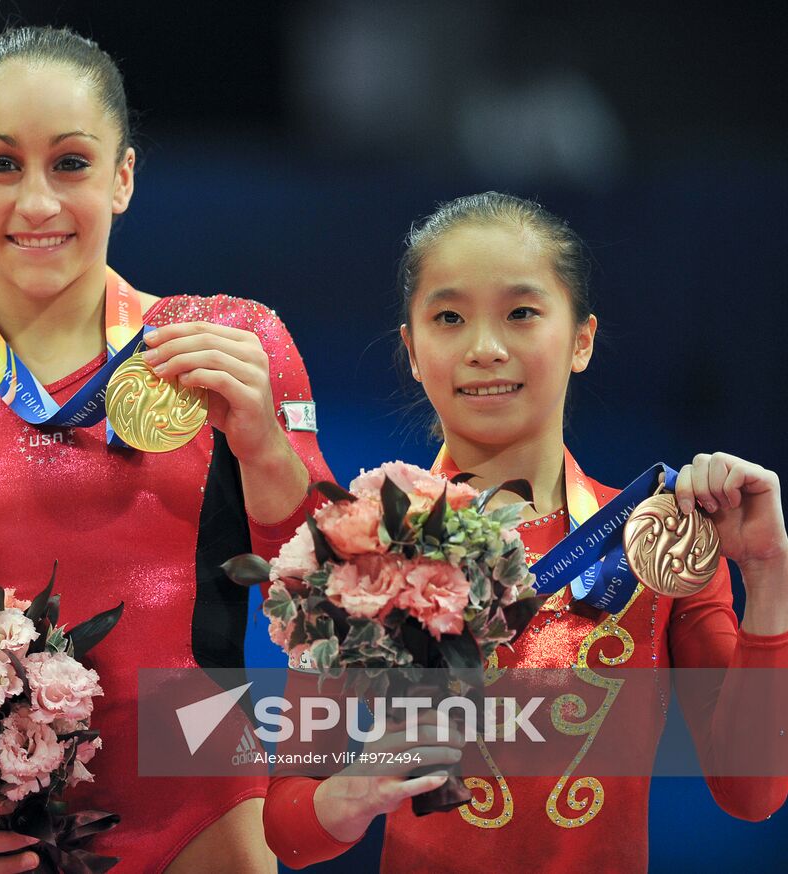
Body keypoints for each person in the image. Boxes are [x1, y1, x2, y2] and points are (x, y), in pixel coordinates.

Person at [0, 25, 332, 874]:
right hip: (7, 835)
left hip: (208, 804)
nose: (37, 204)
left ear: (122, 177)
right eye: (2, 164)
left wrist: (263, 445)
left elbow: (332, 596)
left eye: (71, 163)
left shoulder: (230, 343)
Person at [262, 191, 788, 870]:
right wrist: (351, 795)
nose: (485, 349)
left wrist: (766, 573)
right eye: (449, 318)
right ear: (413, 351)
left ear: (581, 341)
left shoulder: (658, 540)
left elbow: (752, 792)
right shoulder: (361, 547)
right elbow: (288, 830)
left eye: (521, 313)